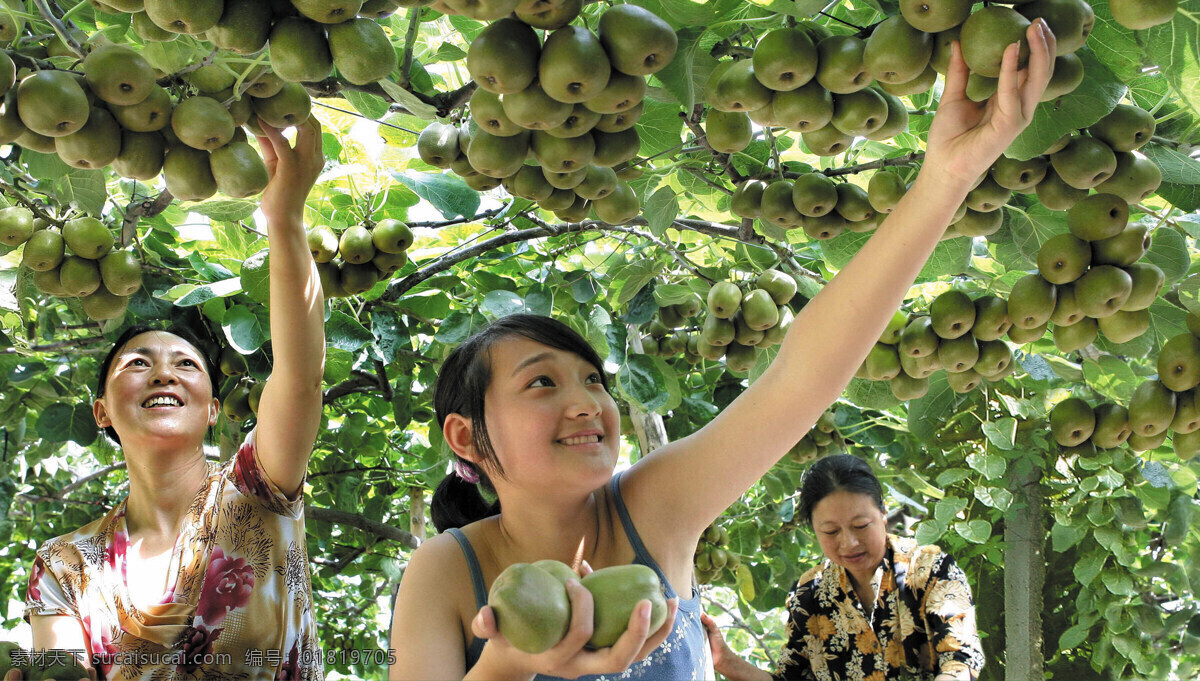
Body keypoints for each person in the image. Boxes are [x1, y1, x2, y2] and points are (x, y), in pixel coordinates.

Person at [389, 21, 1055, 681]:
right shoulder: (446, 572)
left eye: (593, 378)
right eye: (541, 383)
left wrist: (946, 177)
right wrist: (507, 661)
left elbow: (800, 377)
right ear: (467, 436)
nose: (587, 402)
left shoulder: (653, 505)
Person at [19, 117, 327, 681]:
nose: (164, 374)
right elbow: (58, 672)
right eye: (138, 364)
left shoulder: (256, 492)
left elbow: (302, 378)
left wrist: (284, 220)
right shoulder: (64, 565)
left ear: (213, 410)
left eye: (186, 365)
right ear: (102, 412)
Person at [701, 455, 984, 681]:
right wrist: (725, 661)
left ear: (883, 515)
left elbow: (960, 662)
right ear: (813, 529)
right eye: (831, 531)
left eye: (861, 526)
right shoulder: (809, 594)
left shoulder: (932, 571)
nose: (848, 543)